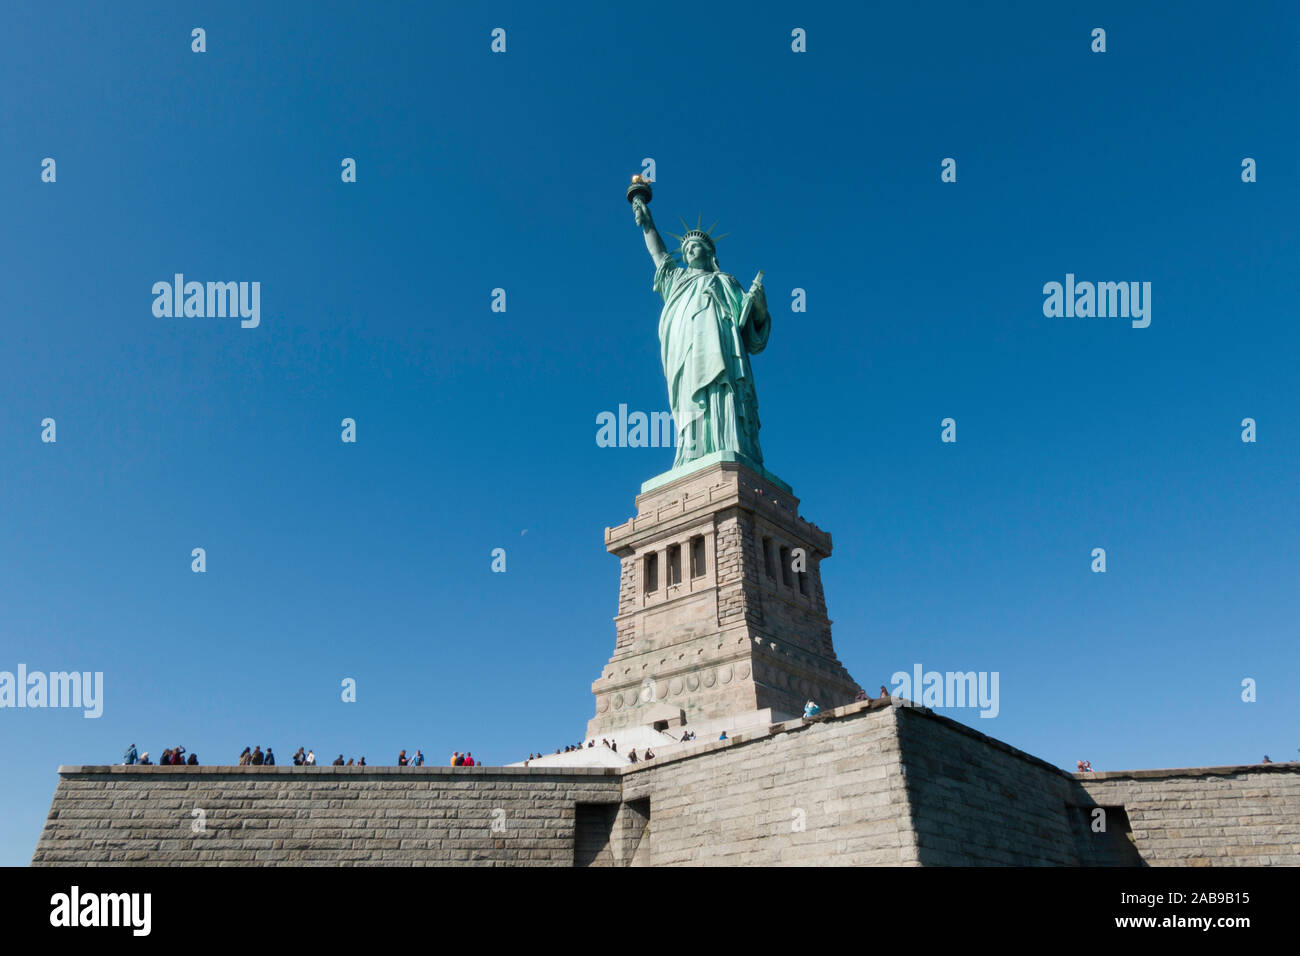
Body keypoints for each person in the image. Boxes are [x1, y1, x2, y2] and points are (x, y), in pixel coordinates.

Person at [632, 190, 771, 468]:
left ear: (709, 253)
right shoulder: (677, 279)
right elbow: (658, 253)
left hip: (723, 352)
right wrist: (647, 223)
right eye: (685, 250)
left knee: (724, 390)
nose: (689, 251)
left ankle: (729, 444)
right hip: (686, 353)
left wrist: (759, 307)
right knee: (690, 398)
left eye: (695, 247)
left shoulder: (726, 281)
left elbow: (752, 333)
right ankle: (692, 452)